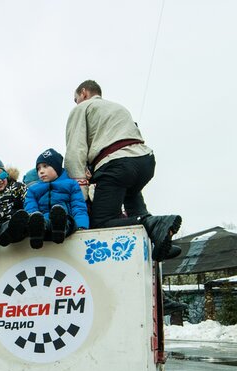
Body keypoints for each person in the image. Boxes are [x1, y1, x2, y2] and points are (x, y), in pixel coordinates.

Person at [64, 79, 182, 260]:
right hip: (145, 160)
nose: (76, 103)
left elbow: (75, 149)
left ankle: (151, 223)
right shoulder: (119, 108)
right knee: (133, 202)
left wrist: (80, 191)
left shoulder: (82, 108)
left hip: (116, 163)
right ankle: (158, 241)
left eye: (76, 98)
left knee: (102, 221)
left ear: (84, 93)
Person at [23, 148, 89, 249]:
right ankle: (37, 234)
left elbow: (78, 207)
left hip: (66, 220)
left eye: (45, 166)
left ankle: (59, 230)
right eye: (39, 169)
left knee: (62, 216)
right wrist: (34, 218)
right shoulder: (33, 189)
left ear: (56, 167)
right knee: (39, 219)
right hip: (44, 221)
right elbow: (30, 208)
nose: (41, 171)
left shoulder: (71, 184)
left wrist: (82, 225)